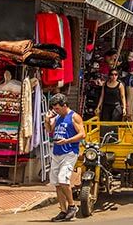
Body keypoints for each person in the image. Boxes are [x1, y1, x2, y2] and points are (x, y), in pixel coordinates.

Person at [45, 94, 85, 222]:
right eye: (54, 108)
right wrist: (47, 120)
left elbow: (82, 134)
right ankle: (63, 210)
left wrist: (67, 140)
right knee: (57, 183)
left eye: (57, 108)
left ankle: (72, 206)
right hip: (56, 152)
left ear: (64, 106)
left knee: (63, 180)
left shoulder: (74, 117)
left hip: (69, 152)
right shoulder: (57, 117)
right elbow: (49, 130)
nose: (56, 110)